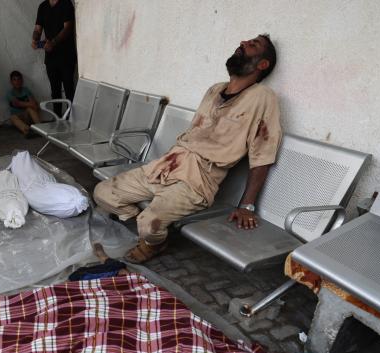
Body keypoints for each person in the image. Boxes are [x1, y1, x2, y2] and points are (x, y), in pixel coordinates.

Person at [93, 35, 281, 263]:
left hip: (197, 180)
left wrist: (247, 205)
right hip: (166, 166)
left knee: (150, 223)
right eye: (245, 41)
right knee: (102, 193)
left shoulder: (262, 97)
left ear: (262, 65)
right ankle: (151, 227)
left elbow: (263, 154)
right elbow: (195, 132)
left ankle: (155, 241)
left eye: (253, 45)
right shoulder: (215, 90)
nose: (243, 43)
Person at [32, 0, 77, 112]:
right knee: (55, 90)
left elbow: (67, 28)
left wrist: (53, 42)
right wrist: (35, 39)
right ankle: (57, 119)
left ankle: (71, 119)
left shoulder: (66, 4)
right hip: (51, 56)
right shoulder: (43, 6)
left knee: (69, 89)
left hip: (66, 55)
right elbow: (38, 28)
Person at [6, 70, 41, 138]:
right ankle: (27, 130)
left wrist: (31, 104)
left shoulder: (25, 90)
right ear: (11, 82)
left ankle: (40, 128)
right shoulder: (10, 93)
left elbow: (34, 103)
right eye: (14, 80)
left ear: (22, 81)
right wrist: (30, 104)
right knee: (12, 117)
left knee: (30, 109)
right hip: (19, 118)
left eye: (19, 79)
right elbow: (17, 104)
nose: (17, 82)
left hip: (27, 116)